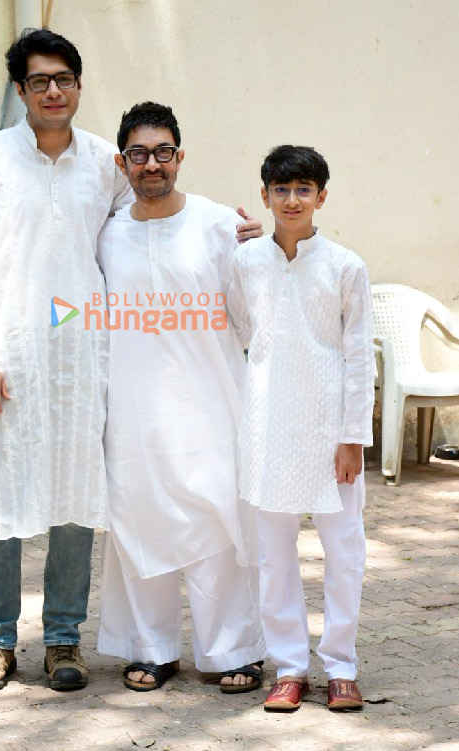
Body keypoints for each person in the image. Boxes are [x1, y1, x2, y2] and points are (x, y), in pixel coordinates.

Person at [0, 28, 135, 692]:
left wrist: (227, 232)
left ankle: (63, 639)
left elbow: (142, 237)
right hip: (11, 358)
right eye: (38, 81)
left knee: (76, 498)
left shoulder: (106, 165)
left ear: (79, 86)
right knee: (0, 500)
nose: (53, 91)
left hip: (82, 356)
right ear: (20, 90)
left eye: (64, 79)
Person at [95, 102, 265, 693]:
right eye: (138, 154)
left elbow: (250, 320)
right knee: (139, 522)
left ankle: (234, 649)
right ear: (122, 162)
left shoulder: (223, 226)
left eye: (162, 151)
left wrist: (260, 254)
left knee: (220, 524)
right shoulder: (105, 234)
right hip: (134, 411)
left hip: (211, 404)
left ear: (179, 157)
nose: (151, 163)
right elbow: (78, 314)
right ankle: (151, 648)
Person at [231, 145, 374, 711]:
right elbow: (242, 332)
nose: (292, 200)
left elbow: (360, 359)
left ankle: (341, 664)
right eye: (281, 190)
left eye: (303, 190)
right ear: (265, 195)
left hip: (330, 434)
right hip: (267, 430)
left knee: (344, 554)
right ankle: (289, 666)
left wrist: (352, 437)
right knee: (274, 557)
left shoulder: (345, 266)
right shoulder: (244, 263)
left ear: (321, 197)